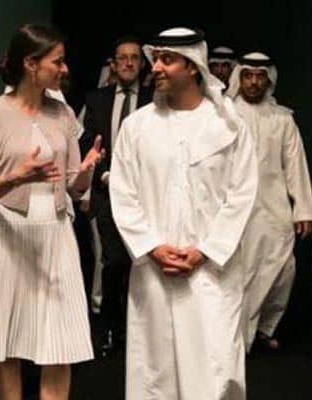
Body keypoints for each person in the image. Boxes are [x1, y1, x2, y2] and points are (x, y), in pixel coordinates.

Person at [109, 27, 257, 399]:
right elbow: (123, 194)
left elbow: (242, 194)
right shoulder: (136, 126)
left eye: (166, 59)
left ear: (192, 67)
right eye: (154, 59)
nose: (155, 67)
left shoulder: (229, 125)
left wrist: (204, 250)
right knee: (155, 371)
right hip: (154, 271)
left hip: (213, 272)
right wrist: (153, 246)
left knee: (216, 366)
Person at [0, 24, 103, 400]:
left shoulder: (63, 114)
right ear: (30, 64)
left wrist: (86, 169)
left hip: (54, 234)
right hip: (6, 235)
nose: (65, 68)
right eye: (57, 61)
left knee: (59, 340)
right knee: (5, 339)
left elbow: (73, 185)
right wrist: (15, 178)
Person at [226, 52, 312, 351]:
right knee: (243, 273)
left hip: (275, 208)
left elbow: (295, 165)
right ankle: (240, 339)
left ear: (269, 79)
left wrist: (303, 209)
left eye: (259, 76)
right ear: (239, 77)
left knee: (280, 270)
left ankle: (264, 329)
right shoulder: (225, 115)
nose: (253, 82)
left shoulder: (283, 119)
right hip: (236, 210)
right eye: (248, 75)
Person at [79, 35, 153, 356]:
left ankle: (137, 333)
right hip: (108, 193)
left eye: (134, 57)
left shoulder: (155, 100)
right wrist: (105, 174)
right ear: (113, 63)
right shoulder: (96, 99)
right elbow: (87, 143)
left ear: (141, 63)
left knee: (141, 264)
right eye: (122, 57)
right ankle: (110, 330)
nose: (128, 63)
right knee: (112, 264)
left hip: (147, 197)